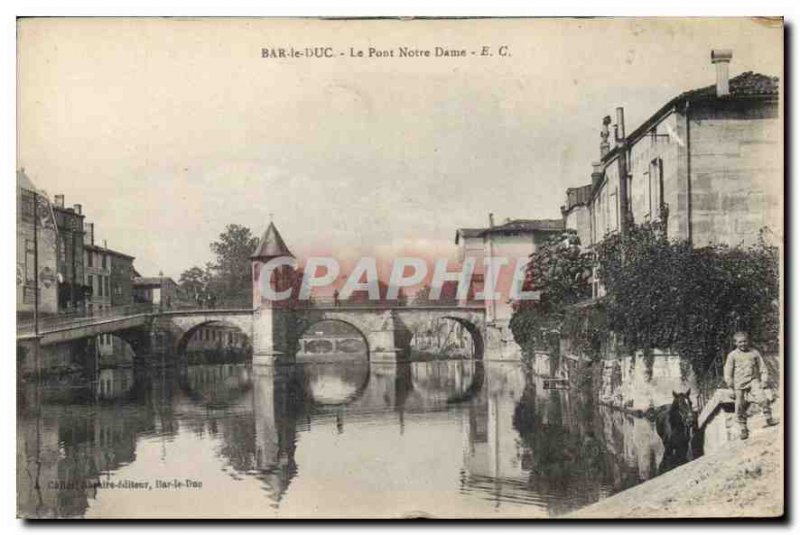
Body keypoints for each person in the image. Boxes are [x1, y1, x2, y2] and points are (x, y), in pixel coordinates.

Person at [723, 331, 777, 439]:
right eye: (740, 342)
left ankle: (769, 418)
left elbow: (762, 367)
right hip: (738, 384)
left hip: (753, 381)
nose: (743, 344)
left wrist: (764, 380)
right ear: (735, 343)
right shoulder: (732, 355)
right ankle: (743, 429)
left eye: (744, 341)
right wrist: (730, 386)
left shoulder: (754, 353)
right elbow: (727, 372)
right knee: (739, 406)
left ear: (748, 341)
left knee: (762, 398)